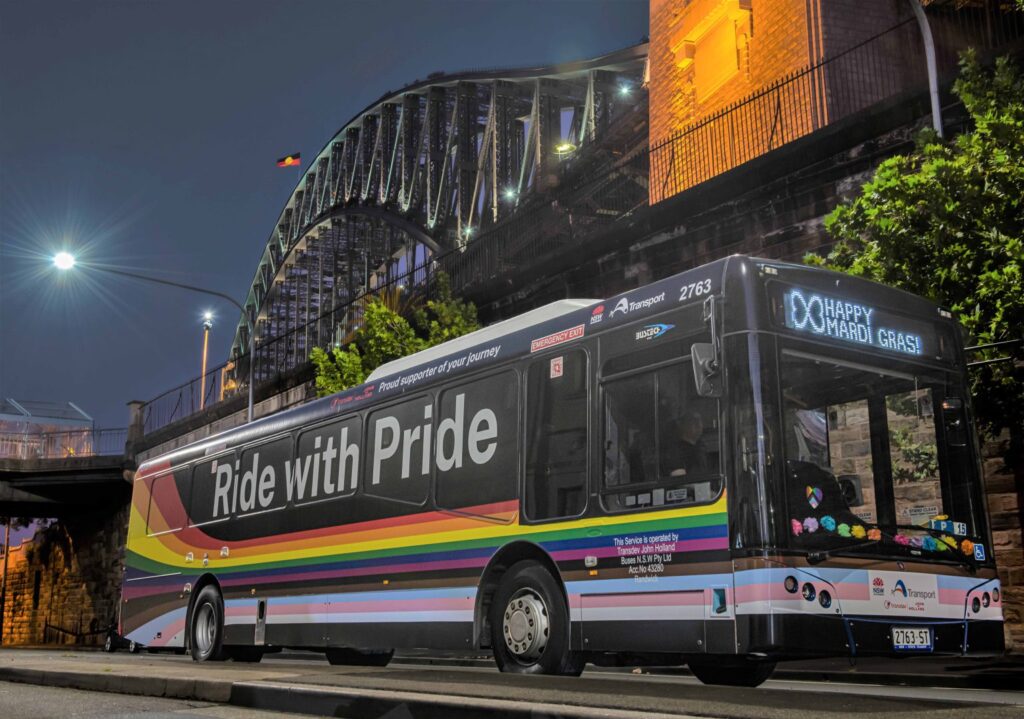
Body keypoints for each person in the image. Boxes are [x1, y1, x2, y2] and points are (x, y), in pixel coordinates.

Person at [667, 411, 708, 477]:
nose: (699, 425)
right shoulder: (677, 451)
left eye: (700, 421)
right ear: (684, 426)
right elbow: (679, 479)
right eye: (694, 421)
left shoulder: (701, 447)